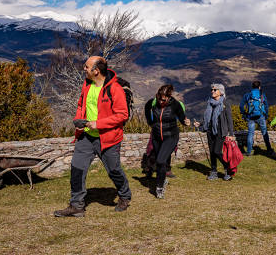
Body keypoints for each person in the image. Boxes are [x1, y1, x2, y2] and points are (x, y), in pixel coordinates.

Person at [54, 56, 131, 217]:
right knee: (77, 168)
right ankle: (77, 206)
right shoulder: (87, 84)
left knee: (114, 170)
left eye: (87, 67)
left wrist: (99, 123)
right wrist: (78, 120)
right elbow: (81, 104)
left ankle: (124, 195)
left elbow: (123, 115)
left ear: (96, 71)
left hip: (108, 138)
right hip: (86, 136)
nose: (84, 69)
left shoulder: (114, 88)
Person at [144, 84, 190, 199]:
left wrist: (186, 122)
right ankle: (162, 179)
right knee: (161, 162)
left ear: (169, 97)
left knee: (160, 160)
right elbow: (146, 109)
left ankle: (159, 187)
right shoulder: (153, 102)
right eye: (159, 98)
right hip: (156, 137)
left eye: (163, 99)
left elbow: (182, 118)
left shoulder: (176, 105)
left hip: (171, 136)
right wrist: (151, 123)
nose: (161, 101)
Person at [194, 83, 235, 181]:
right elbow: (208, 118)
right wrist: (200, 124)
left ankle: (228, 169)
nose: (212, 91)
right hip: (209, 130)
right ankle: (214, 172)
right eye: (212, 90)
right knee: (212, 152)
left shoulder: (225, 103)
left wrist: (231, 134)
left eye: (215, 90)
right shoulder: (210, 102)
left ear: (220, 92)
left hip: (221, 131)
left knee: (217, 151)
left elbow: (229, 119)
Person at [239, 81, 274, 157]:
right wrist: (266, 115)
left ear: (252, 87)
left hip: (250, 116)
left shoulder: (247, 95)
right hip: (261, 116)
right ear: (259, 87)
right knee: (264, 133)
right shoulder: (262, 95)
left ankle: (248, 152)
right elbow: (266, 106)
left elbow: (241, 105)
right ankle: (269, 149)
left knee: (250, 134)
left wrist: (244, 113)